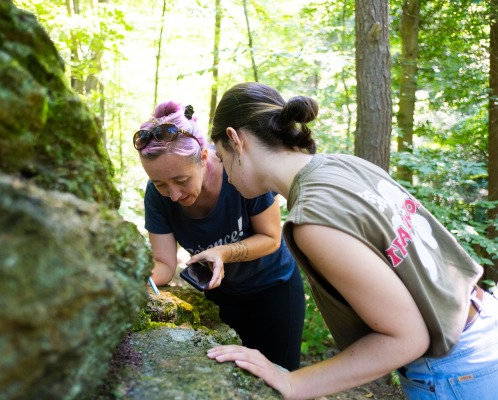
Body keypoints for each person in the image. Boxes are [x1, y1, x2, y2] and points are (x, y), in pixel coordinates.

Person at [202, 82, 498, 399]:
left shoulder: (312, 220)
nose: (226, 174)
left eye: (220, 156)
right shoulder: (341, 164)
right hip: (483, 322)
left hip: (457, 370)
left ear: (235, 139)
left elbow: (408, 338)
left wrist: (293, 382)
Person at [133, 100, 306, 371]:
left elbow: (271, 238)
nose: (174, 195)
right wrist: (130, 277)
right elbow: (165, 265)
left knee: (280, 375)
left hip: (274, 287)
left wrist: (223, 252)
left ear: (203, 157)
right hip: (222, 295)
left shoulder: (238, 171)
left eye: (181, 181)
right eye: (160, 184)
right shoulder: (157, 195)